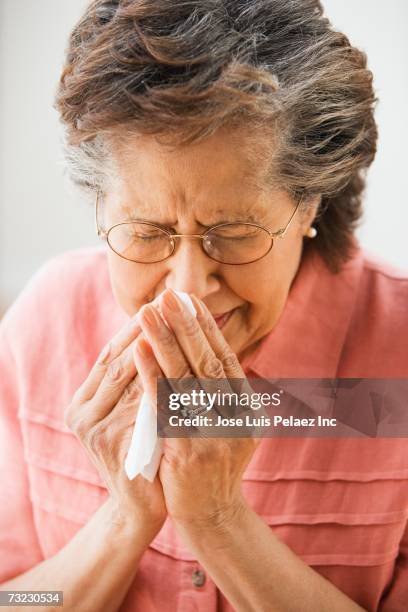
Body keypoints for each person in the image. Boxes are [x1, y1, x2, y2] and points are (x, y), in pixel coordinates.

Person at [0, 1, 407, 610]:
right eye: (145, 231)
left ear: (310, 205)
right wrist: (123, 521)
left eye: (236, 231)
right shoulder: (44, 325)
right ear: (99, 208)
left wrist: (218, 520)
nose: (187, 286)